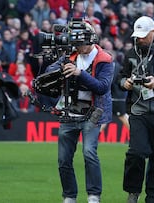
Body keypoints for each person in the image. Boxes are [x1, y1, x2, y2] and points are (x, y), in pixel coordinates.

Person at [45, 22, 114, 203]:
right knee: (63, 159)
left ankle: (93, 195)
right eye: (75, 42)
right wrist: (60, 69)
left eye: (81, 42)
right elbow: (48, 72)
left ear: (90, 39)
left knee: (89, 153)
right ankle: (69, 196)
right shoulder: (71, 55)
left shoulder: (104, 59)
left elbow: (102, 87)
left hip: (92, 112)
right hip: (69, 111)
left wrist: (78, 73)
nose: (78, 46)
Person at [119, 16, 154, 203]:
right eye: (137, 36)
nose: (139, 39)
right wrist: (126, 83)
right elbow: (121, 77)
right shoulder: (131, 53)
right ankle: (133, 191)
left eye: (143, 36)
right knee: (136, 153)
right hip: (138, 111)